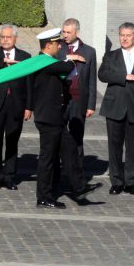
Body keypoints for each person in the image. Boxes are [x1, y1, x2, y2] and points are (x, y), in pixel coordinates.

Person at [30, 28, 97, 209]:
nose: (60, 47)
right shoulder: (43, 62)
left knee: (69, 150)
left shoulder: (48, 61)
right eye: (57, 44)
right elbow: (66, 67)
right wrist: (71, 58)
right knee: (48, 159)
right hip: (48, 118)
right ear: (49, 45)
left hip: (55, 118)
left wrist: (68, 58)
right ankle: (43, 197)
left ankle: (80, 186)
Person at [98, 23, 134, 196]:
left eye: (128, 35)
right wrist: (123, 76)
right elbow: (102, 75)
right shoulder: (111, 56)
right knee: (114, 147)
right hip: (114, 107)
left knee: (133, 147)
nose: (124, 38)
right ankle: (116, 181)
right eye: (122, 35)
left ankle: (131, 182)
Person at [0, 24, 32, 191]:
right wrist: (3, 61)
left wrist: (29, 107)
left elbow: (29, 83)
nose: (5, 40)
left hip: (16, 104)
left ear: (15, 38)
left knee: (12, 141)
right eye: (2, 37)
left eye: (8, 37)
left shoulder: (25, 56)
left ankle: (9, 176)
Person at [58, 19, 98, 197]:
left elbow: (91, 80)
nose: (65, 35)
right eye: (63, 31)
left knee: (76, 139)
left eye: (68, 32)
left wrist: (91, 104)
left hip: (78, 100)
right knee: (58, 137)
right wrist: (69, 58)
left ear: (77, 33)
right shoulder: (58, 48)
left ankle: (78, 176)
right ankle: (58, 173)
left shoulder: (89, 51)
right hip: (60, 99)